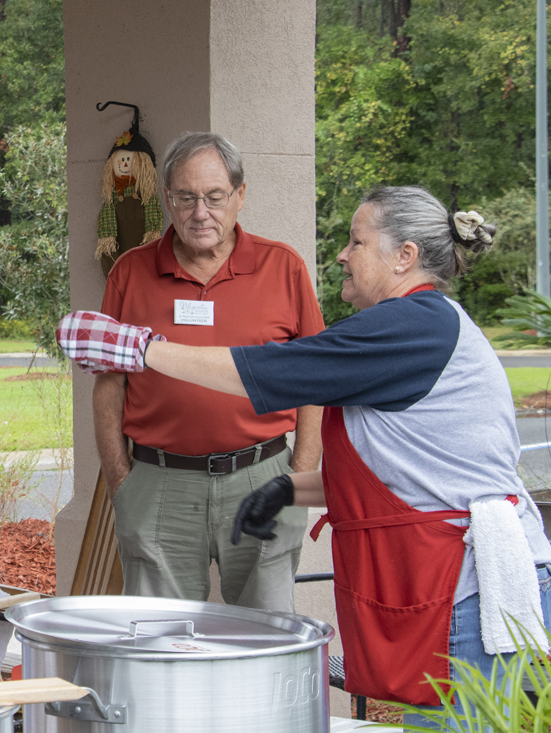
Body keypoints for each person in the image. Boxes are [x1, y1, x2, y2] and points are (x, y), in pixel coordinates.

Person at [59, 185, 551, 721]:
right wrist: (288, 487)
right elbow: (405, 474)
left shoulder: (413, 327)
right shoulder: (421, 325)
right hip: (458, 583)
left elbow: (274, 371)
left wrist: (141, 348)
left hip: (471, 594)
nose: (342, 254)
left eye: (357, 242)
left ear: (404, 256)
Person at [94, 131, 324, 612]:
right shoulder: (130, 273)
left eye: (215, 197)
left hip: (263, 475)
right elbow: (108, 384)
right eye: (187, 197)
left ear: (240, 196)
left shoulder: (283, 268)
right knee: (161, 642)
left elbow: (316, 382)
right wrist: (123, 481)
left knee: (265, 635)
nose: (201, 213)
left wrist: (299, 474)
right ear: (168, 199)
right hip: (159, 481)